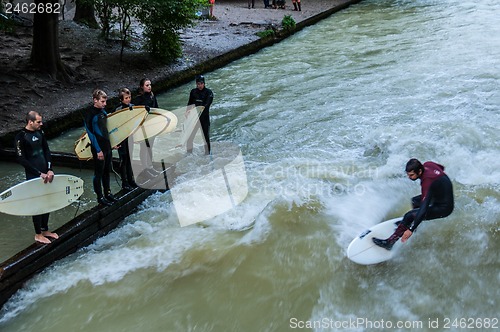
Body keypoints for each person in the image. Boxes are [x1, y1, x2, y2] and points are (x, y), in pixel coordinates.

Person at [372, 159, 454, 250]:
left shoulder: (427, 182)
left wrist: (410, 229)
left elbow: (423, 209)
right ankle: (410, 224)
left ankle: (389, 243)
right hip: (438, 196)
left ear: (419, 171)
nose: (409, 177)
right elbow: (441, 168)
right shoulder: (428, 164)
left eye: (411, 175)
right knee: (415, 201)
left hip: (444, 207)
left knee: (409, 215)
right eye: (408, 174)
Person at [15, 111, 59, 244]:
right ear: (30, 122)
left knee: (47, 201)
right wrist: (39, 173)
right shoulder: (20, 137)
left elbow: (46, 150)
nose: (41, 124)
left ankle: (45, 230)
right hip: (34, 175)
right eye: (39, 122)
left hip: (46, 173)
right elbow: (21, 159)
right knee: (37, 203)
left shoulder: (40, 133)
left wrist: (50, 169)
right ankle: (38, 234)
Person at [84, 89, 117, 206]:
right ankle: (100, 197)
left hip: (107, 146)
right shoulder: (89, 114)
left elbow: (108, 130)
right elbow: (90, 133)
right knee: (99, 173)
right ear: (95, 100)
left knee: (107, 171)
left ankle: (108, 193)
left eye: (105, 101)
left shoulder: (103, 112)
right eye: (102, 101)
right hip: (98, 148)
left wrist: (114, 143)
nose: (105, 104)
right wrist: (98, 150)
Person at [132, 78, 159, 176]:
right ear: (142, 87)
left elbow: (157, 109)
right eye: (147, 85)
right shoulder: (138, 99)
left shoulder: (152, 96)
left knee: (150, 147)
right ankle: (145, 168)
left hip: (152, 126)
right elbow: (135, 116)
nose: (149, 87)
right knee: (144, 147)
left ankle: (150, 166)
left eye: (150, 85)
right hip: (142, 127)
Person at [114, 88, 136, 191]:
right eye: (126, 98)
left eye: (129, 97)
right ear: (121, 99)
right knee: (123, 160)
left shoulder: (133, 107)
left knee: (130, 159)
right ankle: (124, 182)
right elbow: (115, 126)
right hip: (122, 138)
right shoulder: (118, 110)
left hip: (130, 137)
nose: (128, 99)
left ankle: (131, 179)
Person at [187, 74, 214, 155]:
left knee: (205, 138)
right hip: (194, 119)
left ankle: (207, 155)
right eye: (198, 84)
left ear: (204, 83)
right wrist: (187, 112)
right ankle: (188, 155)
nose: (200, 85)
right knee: (189, 138)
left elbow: (207, 105)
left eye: (201, 83)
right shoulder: (193, 92)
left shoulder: (209, 92)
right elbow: (189, 104)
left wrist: (200, 108)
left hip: (204, 119)